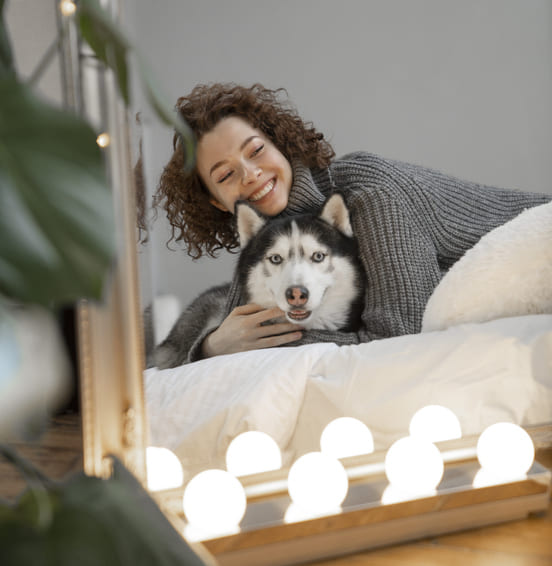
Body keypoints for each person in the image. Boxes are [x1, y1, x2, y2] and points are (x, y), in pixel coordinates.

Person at [153, 82, 551, 364]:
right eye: (224, 175)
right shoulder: (268, 235)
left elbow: (399, 335)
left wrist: (270, 344)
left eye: (256, 150)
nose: (250, 174)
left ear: (280, 143)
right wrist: (210, 347)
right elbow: (240, 329)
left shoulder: (369, 193)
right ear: (216, 202)